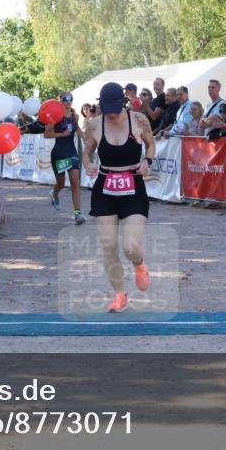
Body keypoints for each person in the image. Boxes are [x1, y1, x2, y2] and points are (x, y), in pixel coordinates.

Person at [83, 83, 156, 313]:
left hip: (133, 184)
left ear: (123, 103)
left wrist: (148, 161)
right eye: (106, 108)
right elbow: (86, 151)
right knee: (109, 246)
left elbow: (151, 145)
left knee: (130, 246)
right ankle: (119, 295)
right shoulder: (94, 124)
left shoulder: (139, 120)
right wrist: (88, 164)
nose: (111, 113)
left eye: (114, 108)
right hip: (105, 186)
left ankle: (139, 264)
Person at [45, 92, 87, 225]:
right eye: (65, 99)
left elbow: (79, 131)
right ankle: (55, 193)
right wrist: (62, 134)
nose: (68, 101)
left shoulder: (75, 116)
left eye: (70, 99)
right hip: (59, 153)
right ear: (61, 101)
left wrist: (88, 138)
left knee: (75, 182)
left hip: (72, 153)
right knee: (61, 183)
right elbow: (47, 134)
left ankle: (77, 213)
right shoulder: (55, 116)